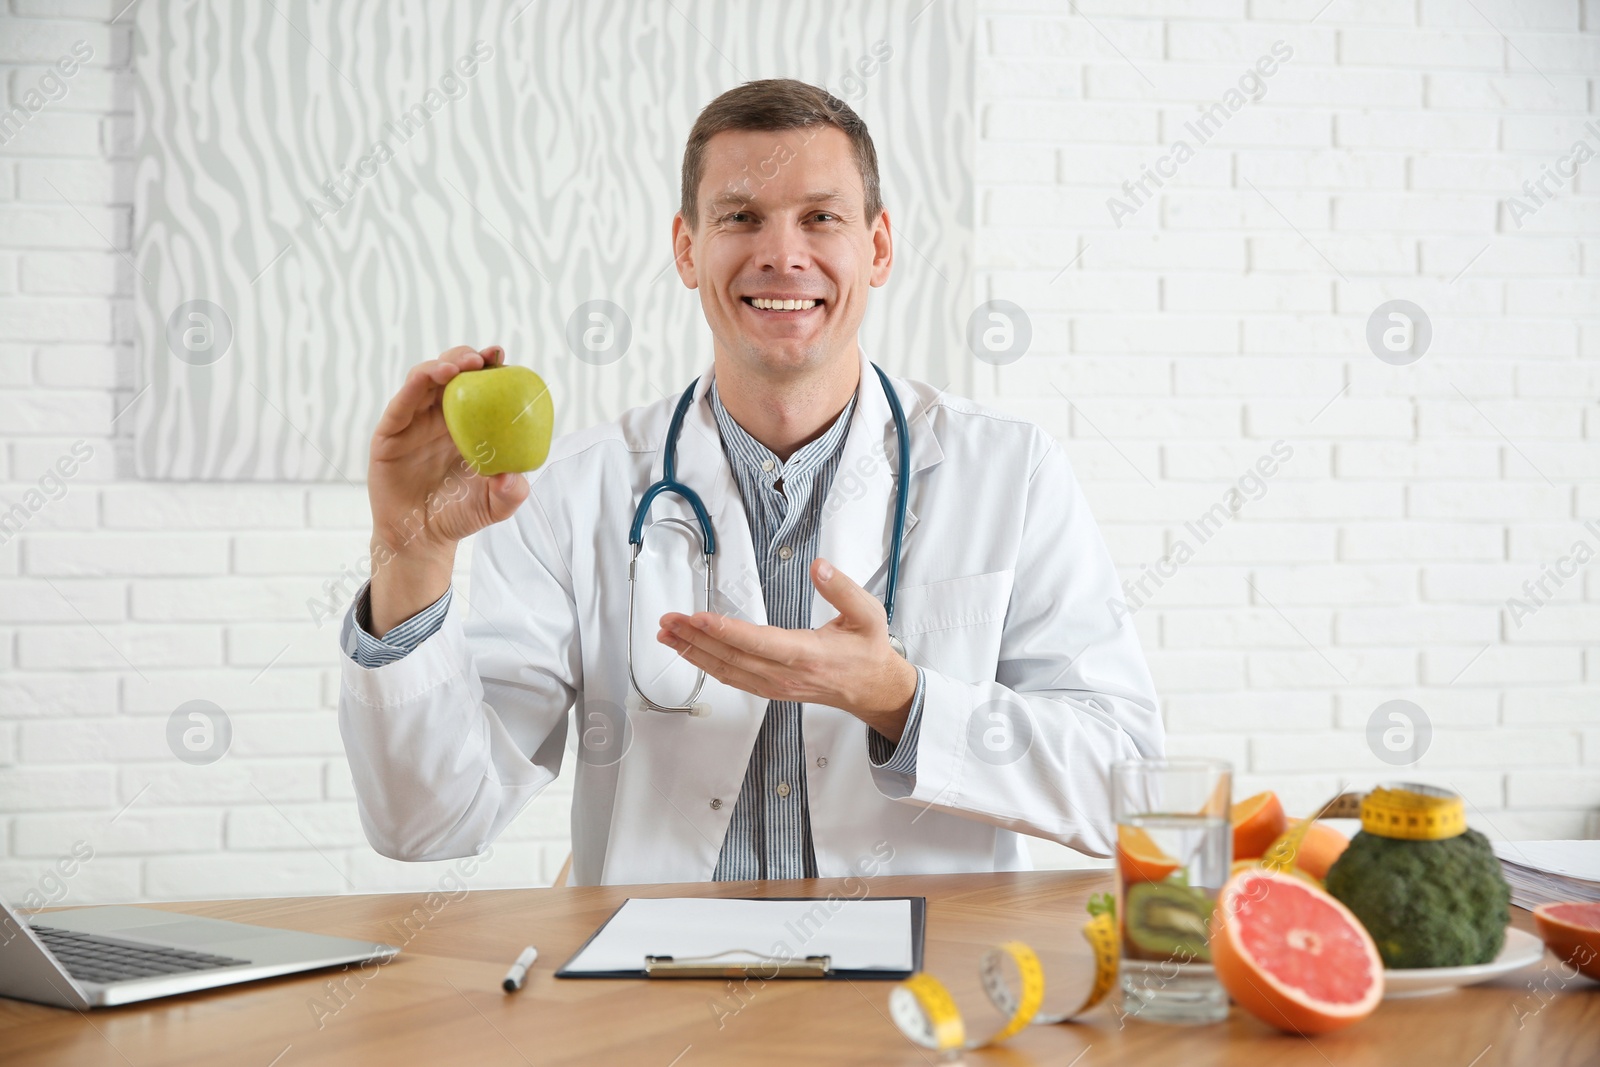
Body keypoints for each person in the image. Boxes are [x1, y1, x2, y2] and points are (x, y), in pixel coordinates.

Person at [338, 78, 1162, 886]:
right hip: (658, 990)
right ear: (687, 249)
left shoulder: (1008, 471)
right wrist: (410, 556)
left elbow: (1126, 786)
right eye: (740, 217)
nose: (781, 253)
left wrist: (900, 700)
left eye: (821, 217)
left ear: (877, 248)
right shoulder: (572, 492)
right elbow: (429, 820)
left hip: (920, 990)